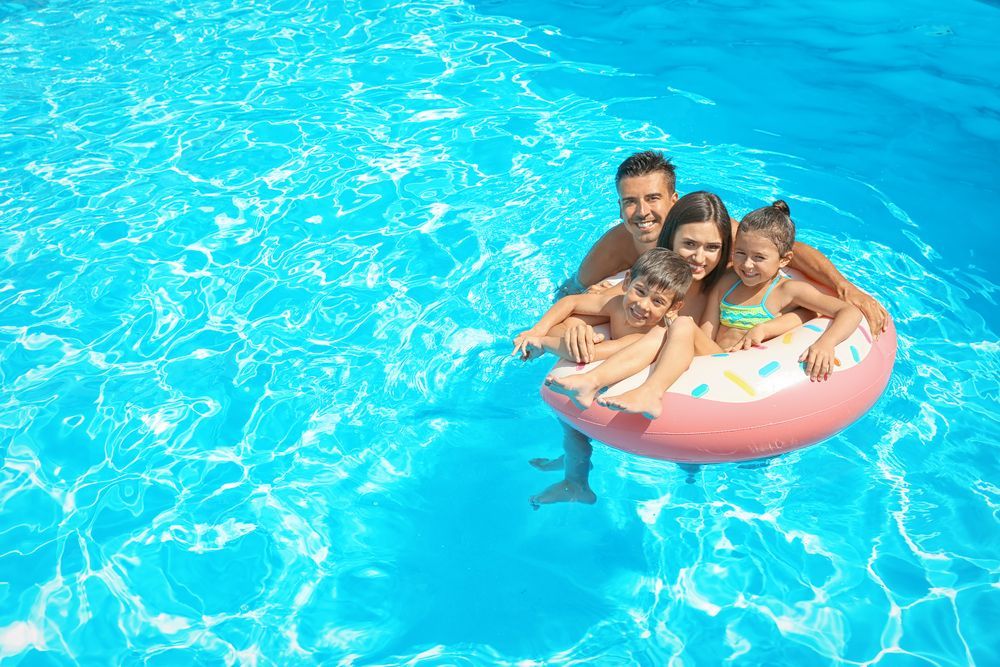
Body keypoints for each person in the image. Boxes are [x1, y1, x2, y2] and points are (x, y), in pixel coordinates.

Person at [570, 201, 863, 420]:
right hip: (715, 357)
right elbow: (708, 327)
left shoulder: (789, 291)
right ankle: (590, 378)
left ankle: (649, 392)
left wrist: (824, 342)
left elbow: (847, 311)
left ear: (785, 260)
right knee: (678, 327)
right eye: (740, 254)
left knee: (680, 325)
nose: (747, 265)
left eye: (759, 257)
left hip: (745, 370)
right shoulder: (727, 281)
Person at [569, 150, 889, 337]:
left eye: (653, 198)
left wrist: (844, 287)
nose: (641, 213)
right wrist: (582, 325)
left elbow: (784, 251)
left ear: (674, 199)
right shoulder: (618, 244)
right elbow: (573, 291)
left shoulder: (706, 234)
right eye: (629, 202)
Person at [513, 249, 693, 508]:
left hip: (620, 389)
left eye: (657, 302)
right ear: (627, 281)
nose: (642, 306)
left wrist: (542, 343)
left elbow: (587, 354)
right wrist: (536, 329)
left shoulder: (649, 335)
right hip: (597, 383)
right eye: (640, 291)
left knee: (576, 425)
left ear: (674, 308)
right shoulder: (615, 305)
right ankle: (571, 463)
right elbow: (570, 302)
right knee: (570, 425)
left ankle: (577, 485)